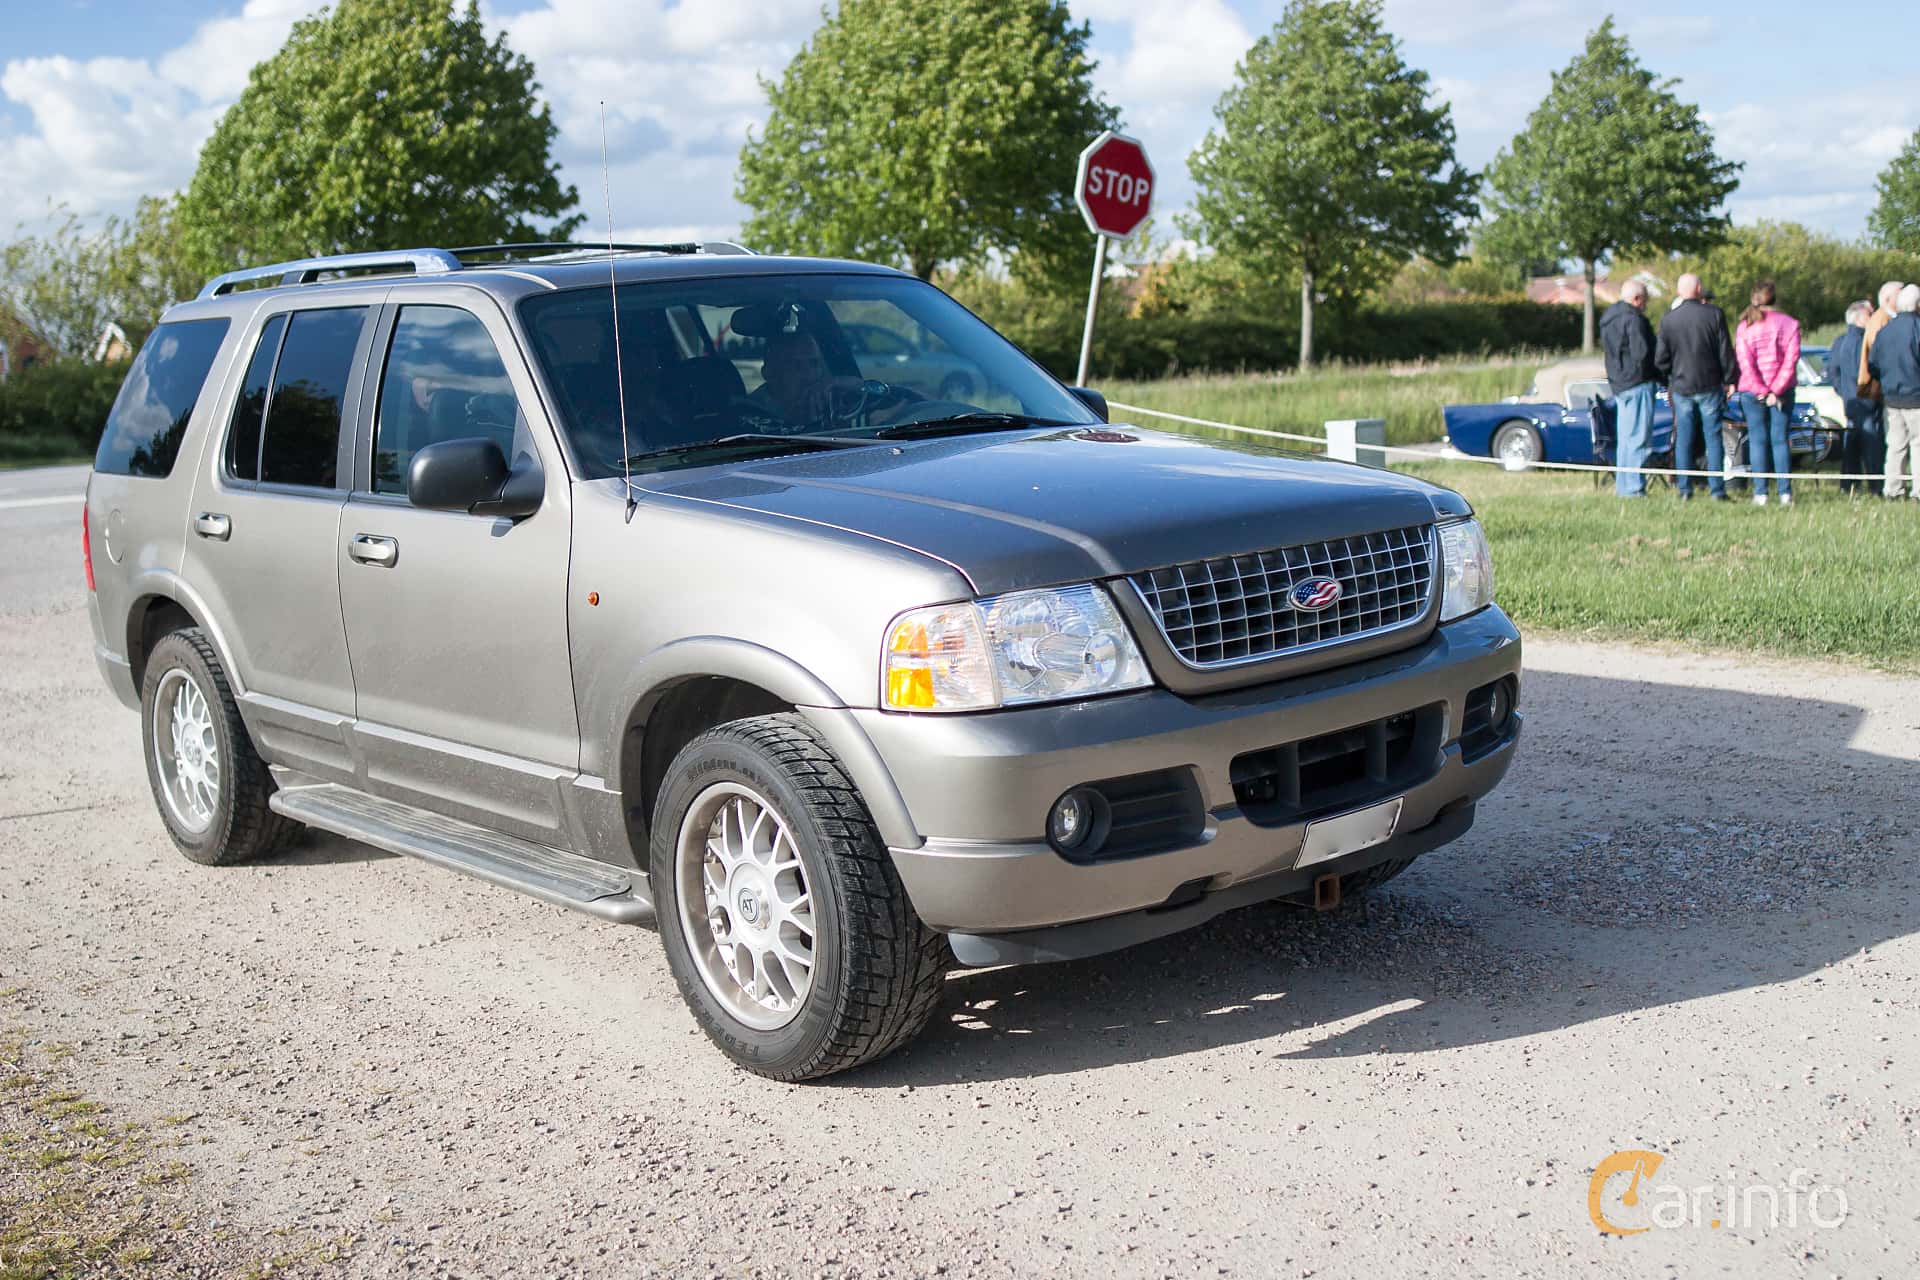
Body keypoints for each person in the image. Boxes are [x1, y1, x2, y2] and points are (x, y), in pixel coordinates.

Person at [1654, 272, 1736, 500]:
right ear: (1699, 289)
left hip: (1681, 386)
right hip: (1709, 385)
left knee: (1684, 439)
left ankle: (1684, 489)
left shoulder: (1669, 320)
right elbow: (1724, 351)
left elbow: (1660, 359)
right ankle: (1717, 490)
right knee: (1713, 438)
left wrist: (1671, 376)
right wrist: (1730, 379)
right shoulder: (1714, 315)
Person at [1733, 280, 1801, 506]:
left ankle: (1760, 493)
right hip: (1781, 392)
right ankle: (1785, 493)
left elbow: (1745, 363)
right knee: (1780, 440)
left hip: (1752, 392)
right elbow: (1791, 361)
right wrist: (1776, 390)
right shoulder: (1790, 324)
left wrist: (1761, 390)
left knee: (1758, 440)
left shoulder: (1746, 326)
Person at [1600, 278, 1657, 497]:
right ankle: (1634, 488)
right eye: (1645, 301)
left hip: (1618, 384)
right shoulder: (1633, 319)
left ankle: (1623, 485)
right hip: (1637, 382)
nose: (1645, 306)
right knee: (1639, 438)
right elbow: (1642, 353)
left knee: (1625, 439)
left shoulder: (1608, 319)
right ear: (1637, 299)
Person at [1866, 283, 1920, 500]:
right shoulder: (1917, 328)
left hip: (1891, 398)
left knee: (1895, 446)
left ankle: (1893, 490)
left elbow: (1873, 364)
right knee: (1918, 445)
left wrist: (1887, 382)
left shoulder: (1885, 331)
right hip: (1916, 397)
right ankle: (1917, 490)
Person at [1827, 301, 1882, 496]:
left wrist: (1844, 392)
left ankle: (1848, 485)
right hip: (1867, 403)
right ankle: (1876, 487)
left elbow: (1832, 372)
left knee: (1851, 446)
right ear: (1860, 318)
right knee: (1872, 446)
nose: (1873, 317)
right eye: (1870, 314)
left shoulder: (1839, 341)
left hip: (1850, 402)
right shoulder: (1865, 340)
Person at [1856, 279, 1904, 404]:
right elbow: (1879, 355)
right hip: (1878, 390)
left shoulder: (1889, 318)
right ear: (1888, 299)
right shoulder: (1881, 320)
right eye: (1900, 295)